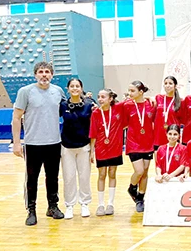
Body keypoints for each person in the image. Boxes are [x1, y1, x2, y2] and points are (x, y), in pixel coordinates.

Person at [12, 61, 66, 226]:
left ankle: (52, 206)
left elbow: (68, 110)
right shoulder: (25, 92)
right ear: (35, 75)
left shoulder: (58, 91)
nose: (44, 75)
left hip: (54, 142)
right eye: (41, 72)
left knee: (53, 177)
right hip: (32, 144)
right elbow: (16, 118)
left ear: (52, 75)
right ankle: (31, 210)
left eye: (47, 72)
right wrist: (16, 143)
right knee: (32, 179)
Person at [60, 78, 94, 219]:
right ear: (68, 89)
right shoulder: (62, 105)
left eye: (77, 86)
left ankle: (85, 203)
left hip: (84, 146)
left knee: (84, 176)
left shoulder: (89, 105)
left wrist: (93, 150)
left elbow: (94, 126)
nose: (75, 88)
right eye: (72, 86)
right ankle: (69, 205)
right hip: (67, 146)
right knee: (69, 177)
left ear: (81, 88)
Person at [89, 88, 124, 216]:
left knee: (112, 174)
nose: (100, 99)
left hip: (115, 148)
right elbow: (93, 133)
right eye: (99, 97)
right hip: (101, 149)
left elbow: (132, 100)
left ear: (110, 99)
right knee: (102, 175)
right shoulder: (96, 113)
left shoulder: (118, 109)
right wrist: (92, 151)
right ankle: (100, 204)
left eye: (103, 97)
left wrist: (149, 98)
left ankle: (110, 203)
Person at [124, 81, 155, 213]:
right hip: (133, 143)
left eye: (132, 91)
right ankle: (132, 188)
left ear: (141, 92)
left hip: (147, 143)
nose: (129, 93)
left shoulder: (151, 104)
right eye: (129, 90)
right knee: (139, 171)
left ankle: (140, 198)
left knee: (145, 172)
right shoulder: (127, 105)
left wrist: (150, 98)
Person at [153, 76, 183, 149]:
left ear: (175, 86)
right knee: (158, 156)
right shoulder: (158, 98)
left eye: (170, 83)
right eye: (166, 83)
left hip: (172, 135)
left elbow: (182, 119)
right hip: (159, 134)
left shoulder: (180, 101)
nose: (167, 85)